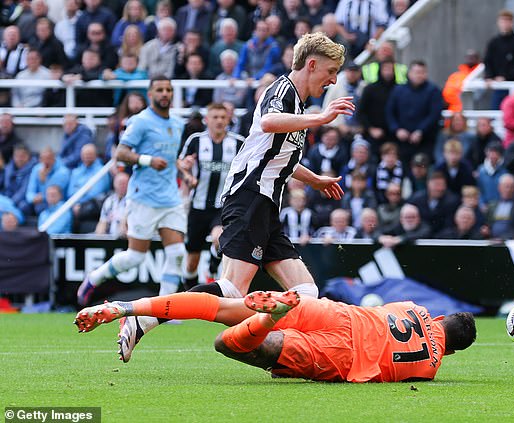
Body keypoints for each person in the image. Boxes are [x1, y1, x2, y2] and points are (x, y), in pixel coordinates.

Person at [110, 33, 353, 363]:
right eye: (331, 71)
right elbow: (268, 122)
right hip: (250, 198)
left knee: (306, 293)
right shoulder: (283, 90)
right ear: (311, 64)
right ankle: (144, 316)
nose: (333, 79)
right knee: (231, 291)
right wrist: (321, 118)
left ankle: (290, 353)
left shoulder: (297, 106)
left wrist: (315, 179)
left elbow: (283, 157)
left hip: (266, 206)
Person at [75, 289, 477, 382]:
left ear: (440, 316)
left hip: (338, 313)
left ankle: (127, 308)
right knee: (229, 343)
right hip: (343, 354)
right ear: (452, 352)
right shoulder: (430, 368)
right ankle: (270, 320)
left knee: (221, 306)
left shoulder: (413, 307)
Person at [77, 76, 187, 307]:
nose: (165, 93)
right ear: (150, 94)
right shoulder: (140, 121)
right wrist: (147, 160)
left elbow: (170, 158)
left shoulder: (177, 124)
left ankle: (164, 308)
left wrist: (184, 171)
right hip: (143, 197)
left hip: (170, 197)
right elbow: (121, 153)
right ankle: (93, 279)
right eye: (160, 90)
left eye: (168, 89)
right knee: (136, 257)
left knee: (177, 252)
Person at [178, 103, 244, 288]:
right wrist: (187, 173)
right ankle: (188, 294)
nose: (219, 121)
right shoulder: (196, 140)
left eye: (223, 117)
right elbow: (181, 164)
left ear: (228, 120)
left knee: (219, 238)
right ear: (207, 120)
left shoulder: (238, 142)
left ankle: (213, 267)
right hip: (198, 206)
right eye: (215, 117)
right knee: (192, 260)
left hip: (223, 206)